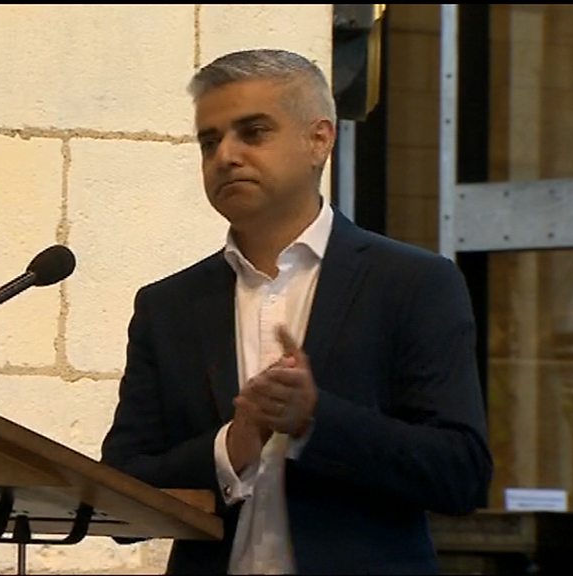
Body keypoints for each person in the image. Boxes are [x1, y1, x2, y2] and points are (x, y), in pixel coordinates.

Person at [100, 48, 492, 574]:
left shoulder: (413, 283)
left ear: (319, 139)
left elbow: (460, 474)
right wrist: (232, 445)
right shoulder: (168, 306)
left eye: (253, 132)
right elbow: (122, 487)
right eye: (209, 141)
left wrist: (315, 418)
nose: (226, 156)